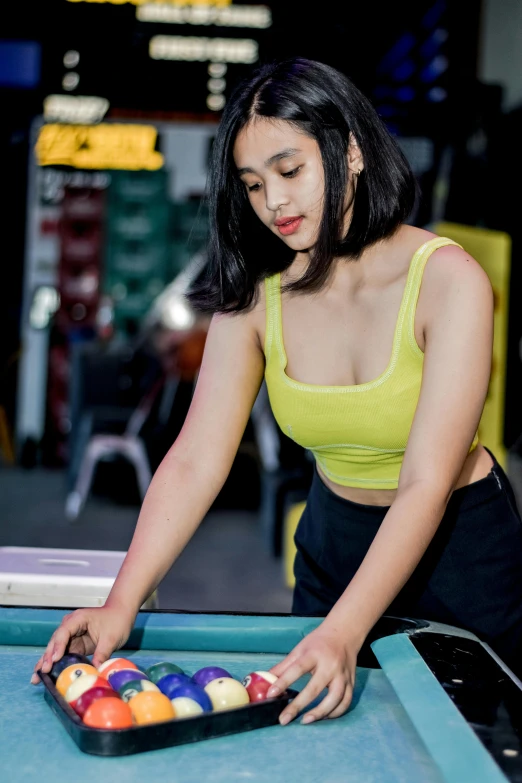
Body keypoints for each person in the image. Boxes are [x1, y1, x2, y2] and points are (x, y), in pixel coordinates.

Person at [32, 57, 522, 727]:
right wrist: (122, 600)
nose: (275, 204)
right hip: (335, 543)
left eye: (290, 171)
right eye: (254, 184)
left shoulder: (447, 281)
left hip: (460, 547)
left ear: (349, 151)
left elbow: (425, 483)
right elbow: (197, 457)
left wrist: (347, 630)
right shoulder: (257, 294)